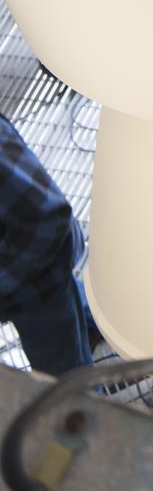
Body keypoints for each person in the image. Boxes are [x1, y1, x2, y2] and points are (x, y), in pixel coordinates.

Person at [1, 113, 95, 375]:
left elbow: (47, 220)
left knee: (66, 387)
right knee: (83, 309)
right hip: (33, 278)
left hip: (37, 289)